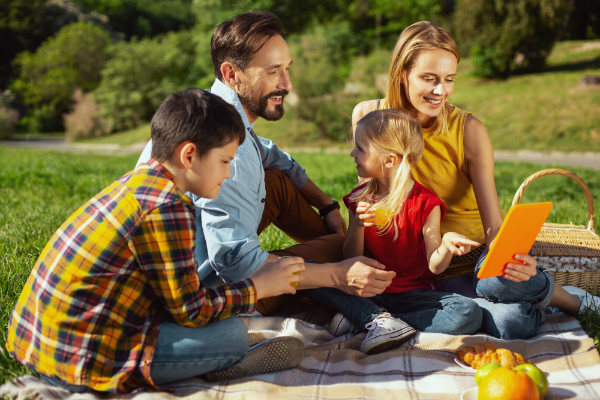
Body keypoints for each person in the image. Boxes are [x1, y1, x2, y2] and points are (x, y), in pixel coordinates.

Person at [6, 89, 307, 394]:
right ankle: (224, 361)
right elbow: (192, 312)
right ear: (189, 155)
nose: (229, 174)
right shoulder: (169, 207)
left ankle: (210, 358)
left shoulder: (138, 183)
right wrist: (259, 287)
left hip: (36, 345)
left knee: (219, 323)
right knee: (234, 336)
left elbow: (174, 295)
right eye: (225, 161)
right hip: (78, 363)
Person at [351, 21, 600, 339]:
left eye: (449, 79)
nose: (441, 91)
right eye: (429, 78)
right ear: (402, 73)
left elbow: (493, 226)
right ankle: (510, 303)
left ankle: (564, 298)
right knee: (516, 323)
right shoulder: (368, 116)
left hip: (471, 261)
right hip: (415, 267)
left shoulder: (468, 131)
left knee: (498, 283)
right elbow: (368, 194)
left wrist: (509, 262)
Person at [137, 11, 396, 314]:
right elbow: (236, 263)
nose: (286, 84)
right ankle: (357, 274)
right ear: (232, 74)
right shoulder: (227, 157)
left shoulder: (214, 112)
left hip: (205, 255)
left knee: (276, 180)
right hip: (213, 290)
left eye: (287, 69)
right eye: (273, 72)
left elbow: (275, 156)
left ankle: (347, 256)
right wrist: (338, 275)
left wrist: (327, 206)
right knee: (345, 250)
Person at [305, 109, 483, 354]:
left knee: (467, 313)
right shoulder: (359, 199)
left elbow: (435, 266)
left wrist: (445, 246)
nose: (352, 153)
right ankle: (374, 318)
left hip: (413, 296)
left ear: (389, 160)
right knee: (305, 267)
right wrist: (357, 225)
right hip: (368, 290)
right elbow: (350, 259)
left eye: (360, 149)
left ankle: (368, 319)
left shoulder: (425, 203)